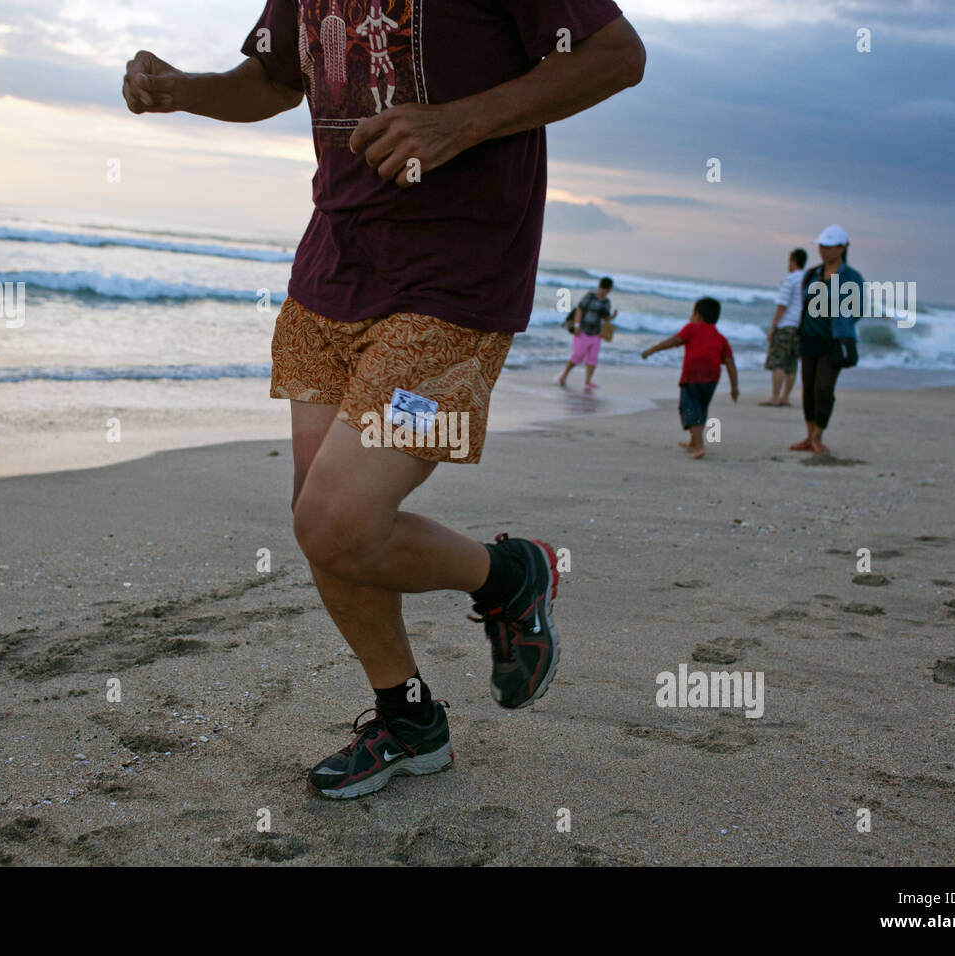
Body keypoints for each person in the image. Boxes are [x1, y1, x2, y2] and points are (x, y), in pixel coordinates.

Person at [123, 3, 646, 798]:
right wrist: (185, 89)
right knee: (324, 527)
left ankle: (508, 576)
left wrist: (458, 124)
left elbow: (616, 54)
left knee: (337, 519)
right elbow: (272, 81)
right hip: (330, 280)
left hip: (454, 292)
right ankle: (409, 720)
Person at [791, 225, 864, 456]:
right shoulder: (811, 274)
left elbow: (857, 310)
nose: (823, 250)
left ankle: (818, 437)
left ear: (842, 248)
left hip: (834, 341)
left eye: (829, 246)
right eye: (821, 246)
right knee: (808, 390)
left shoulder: (852, 278)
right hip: (809, 338)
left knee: (823, 389)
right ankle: (809, 435)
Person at [641, 296, 738, 459]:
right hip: (713, 377)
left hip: (693, 374)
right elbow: (730, 363)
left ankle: (699, 447)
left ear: (697, 315)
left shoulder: (691, 328)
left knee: (690, 407)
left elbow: (672, 341)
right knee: (701, 408)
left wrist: (652, 350)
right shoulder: (721, 338)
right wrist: (734, 387)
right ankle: (694, 441)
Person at [761, 248, 807, 406]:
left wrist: (773, 326)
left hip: (786, 324)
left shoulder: (791, 279)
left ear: (793, 261)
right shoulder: (809, 280)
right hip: (800, 326)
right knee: (792, 363)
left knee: (779, 361)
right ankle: (785, 397)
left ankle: (775, 397)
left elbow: (782, 305)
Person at [558, 277, 616, 391]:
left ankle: (587, 382)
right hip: (583, 331)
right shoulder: (590, 296)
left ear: (609, 290)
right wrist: (577, 325)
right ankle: (564, 375)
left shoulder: (607, 302)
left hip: (596, 333)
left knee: (592, 359)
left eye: (606, 290)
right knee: (577, 356)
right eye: (603, 288)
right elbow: (579, 309)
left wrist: (613, 316)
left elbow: (605, 318)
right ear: (600, 286)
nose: (604, 291)